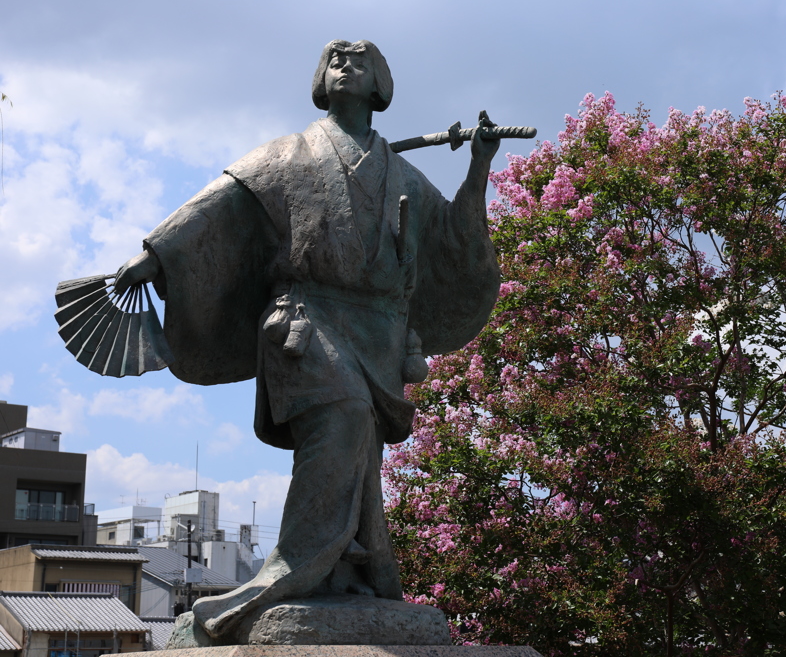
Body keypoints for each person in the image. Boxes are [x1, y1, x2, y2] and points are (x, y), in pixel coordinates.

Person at [113, 39, 501, 641]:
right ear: (323, 78)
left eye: (361, 59)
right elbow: (221, 204)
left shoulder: (401, 173)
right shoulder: (289, 155)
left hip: (379, 331)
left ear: (381, 83)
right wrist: (155, 255)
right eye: (336, 59)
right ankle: (287, 572)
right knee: (343, 418)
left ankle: (347, 576)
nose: (347, 65)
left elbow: (452, 238)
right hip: (305, 321)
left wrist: (479, 165)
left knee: (359, 453)